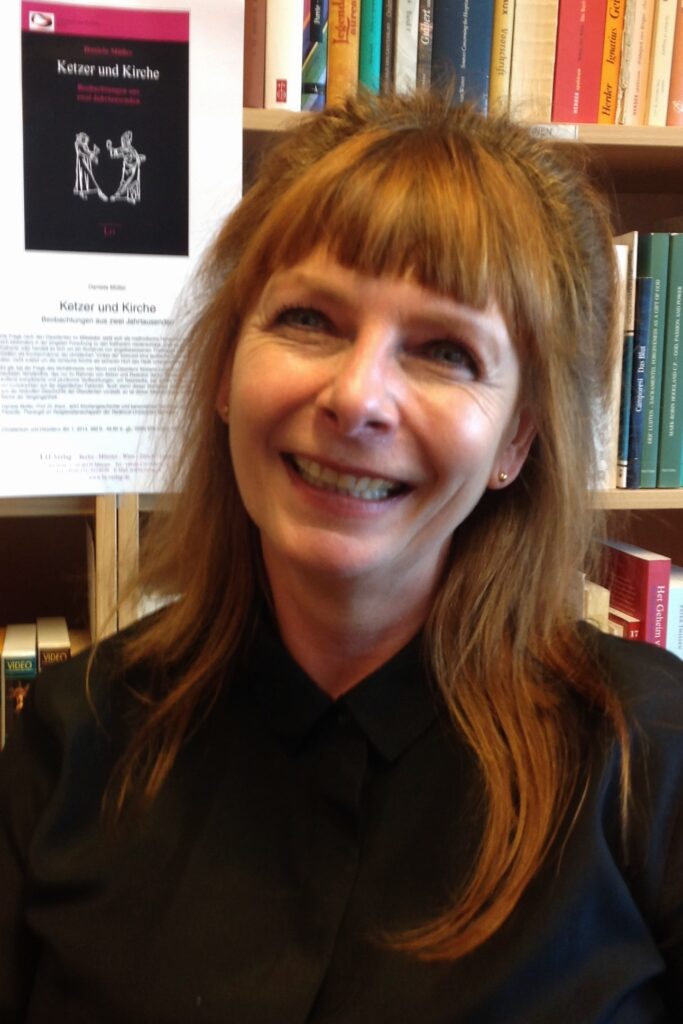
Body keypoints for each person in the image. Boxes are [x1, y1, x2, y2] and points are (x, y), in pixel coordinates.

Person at [2, 91, 682, 1022]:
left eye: (444, 351)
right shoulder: (70, 735)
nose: (357, 397)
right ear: (224, 375)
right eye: (308, 320)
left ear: (517, 441)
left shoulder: (650, 755)